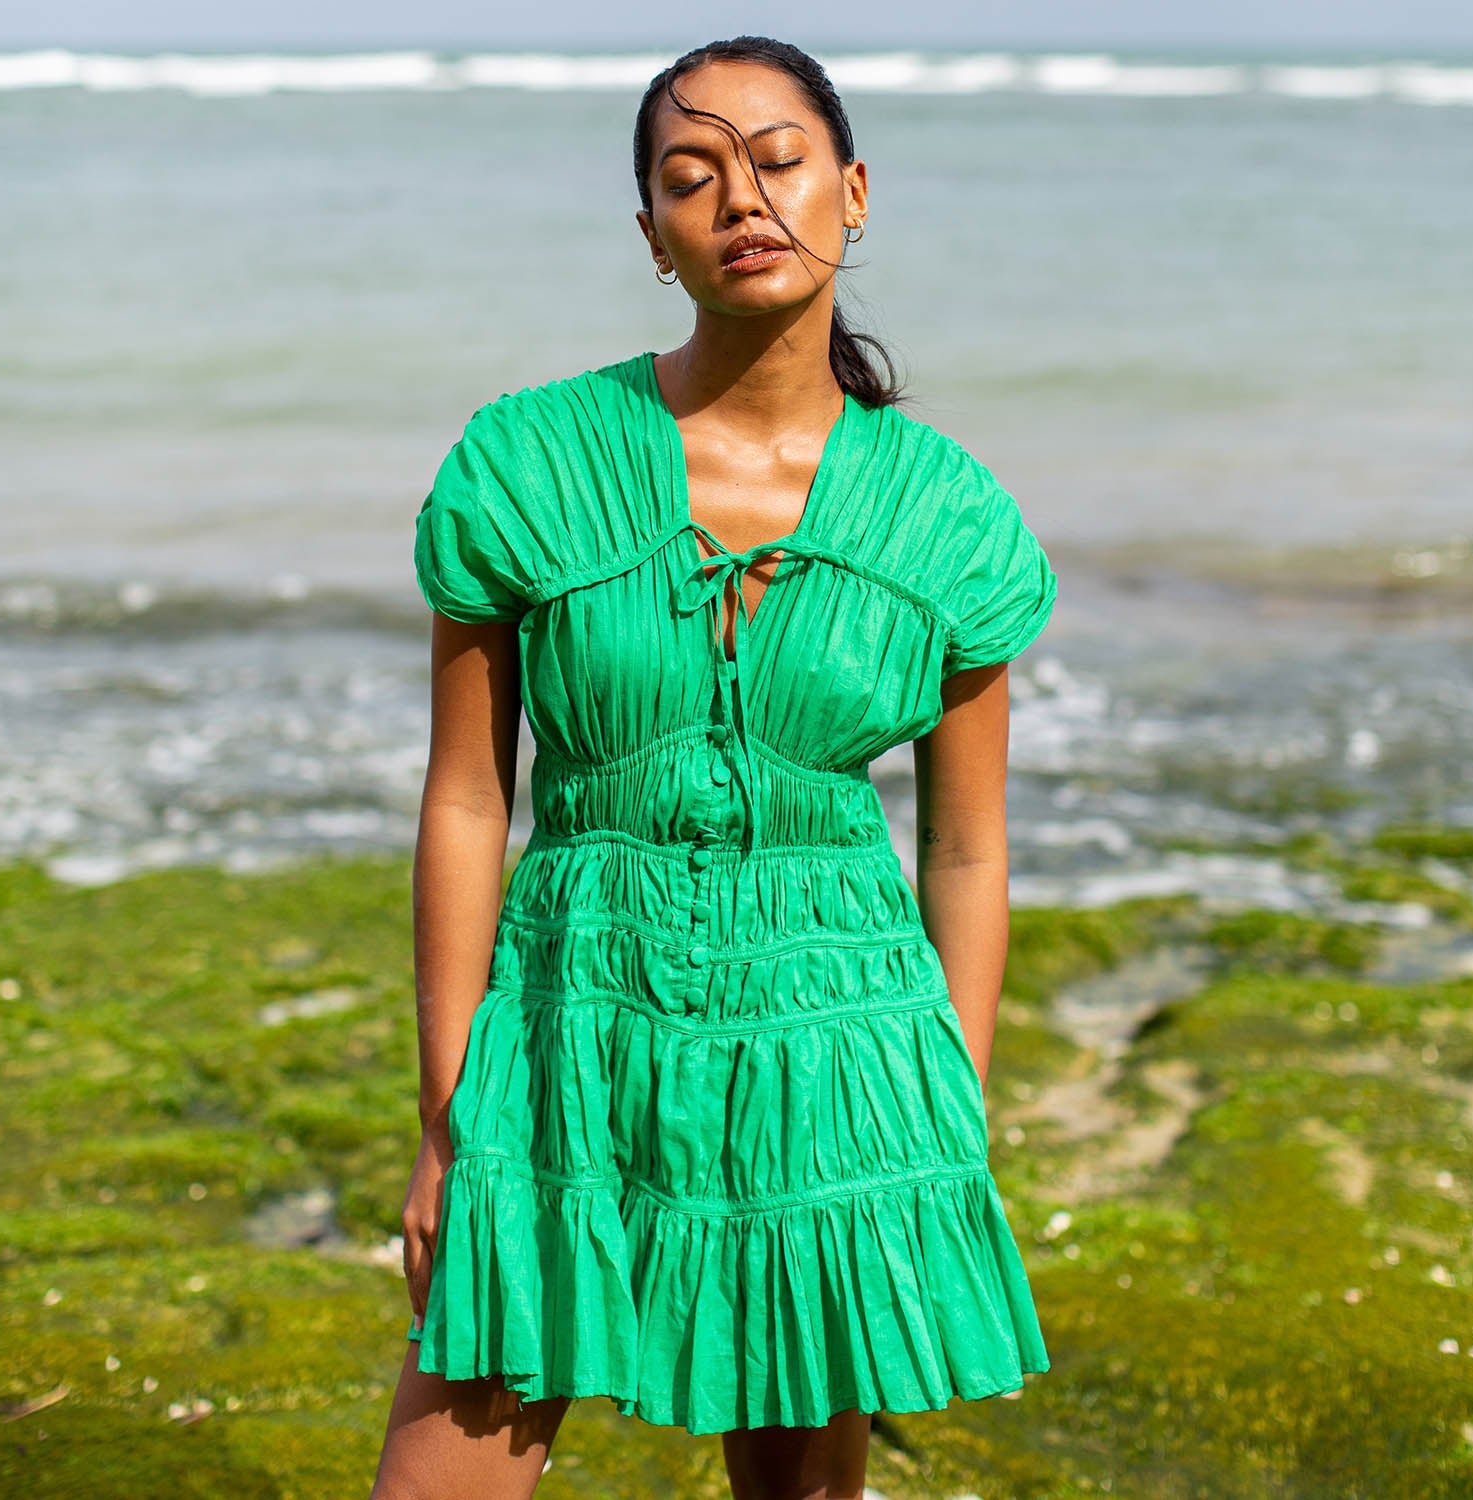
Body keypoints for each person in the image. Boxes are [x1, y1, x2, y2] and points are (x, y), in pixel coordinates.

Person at [370, 34, 1058, 1500]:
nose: (742, 197)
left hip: (840, 1034)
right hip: (569, 1016)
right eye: (694, 176)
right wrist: (448, 1119)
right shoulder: (532, 465)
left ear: (852, 192)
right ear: (652, 236)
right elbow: (468, 798)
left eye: (779, 159)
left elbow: (967, 850)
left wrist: (946, 1110)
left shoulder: (949, 523)